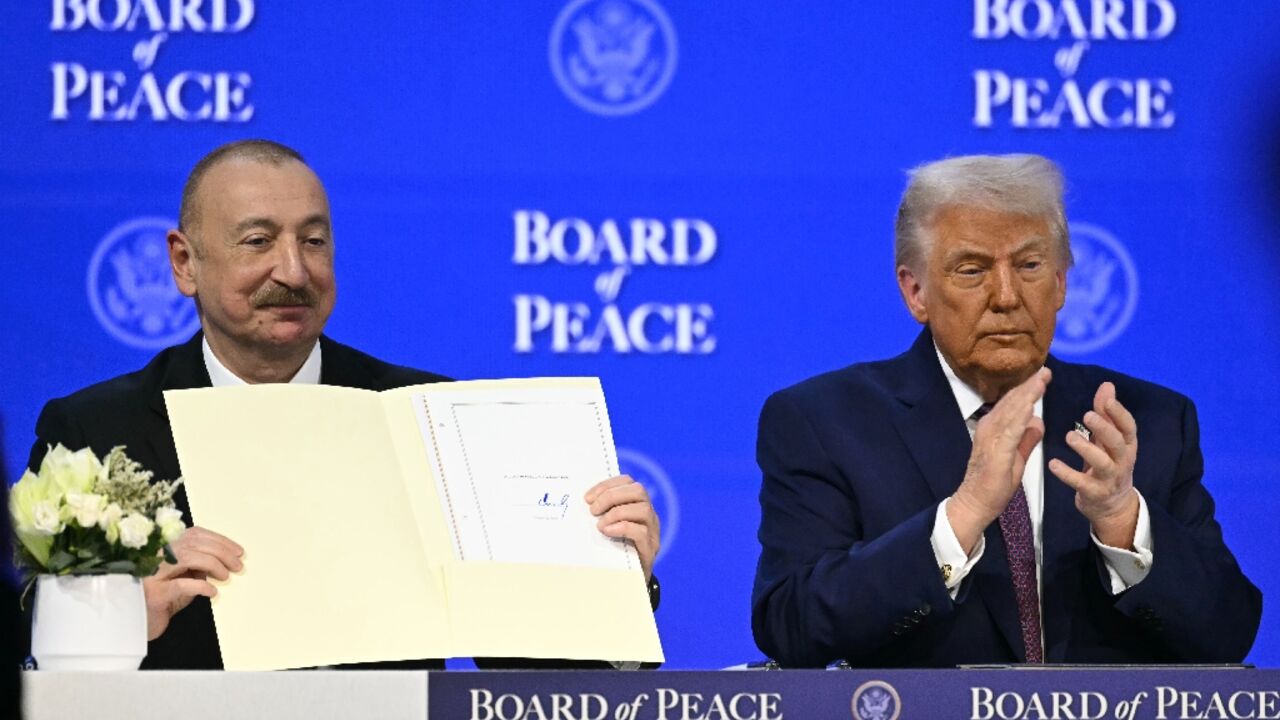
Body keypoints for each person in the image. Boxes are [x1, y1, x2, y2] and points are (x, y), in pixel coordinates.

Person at [27, 139, 661, 670]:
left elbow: (536, 674)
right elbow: (33, 649)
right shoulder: (94, 432)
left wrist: (613, 587)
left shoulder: (431, 414)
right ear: (185, 263)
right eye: (257, 241)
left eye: (314, 241)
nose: (295, 272)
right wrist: (116, 618)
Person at [751, 154, 1261, 667]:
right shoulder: (824, 421)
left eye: (1029, 265)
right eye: (972, 270)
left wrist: (1123, 521)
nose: (1006, 296)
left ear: (1061, 283)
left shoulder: (1145, 422)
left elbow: (1228, 635)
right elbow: (791, 626)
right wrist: (964, 514)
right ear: (915, 291)